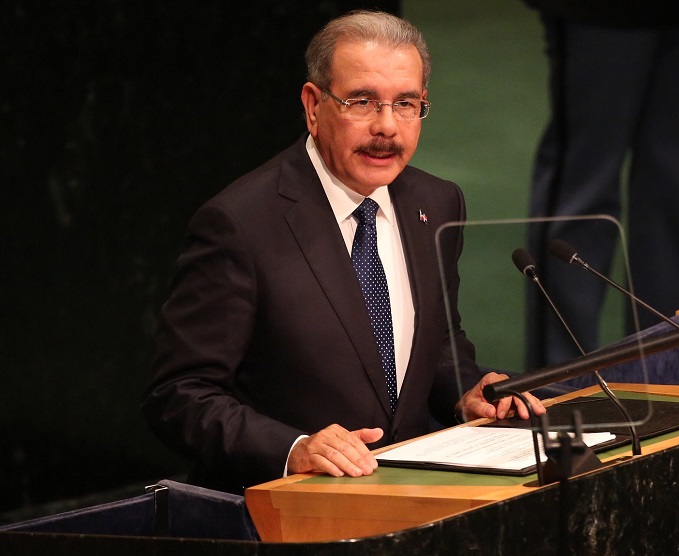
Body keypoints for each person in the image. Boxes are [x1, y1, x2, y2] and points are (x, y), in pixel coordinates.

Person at [141, 10, 544, 494]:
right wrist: (293, 448)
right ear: (313, 106)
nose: (387, 127)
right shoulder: (241, 223)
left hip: (411, 499)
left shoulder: (437, 203)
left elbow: (437, 343)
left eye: (406, 104)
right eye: (362, 102)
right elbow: (178, 395)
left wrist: (465, 394)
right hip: (284, 511)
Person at [522, 1, 679, 368]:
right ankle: (559, 381)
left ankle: (674, 369)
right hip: (600, 12)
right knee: (582, 190)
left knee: (678, 192)